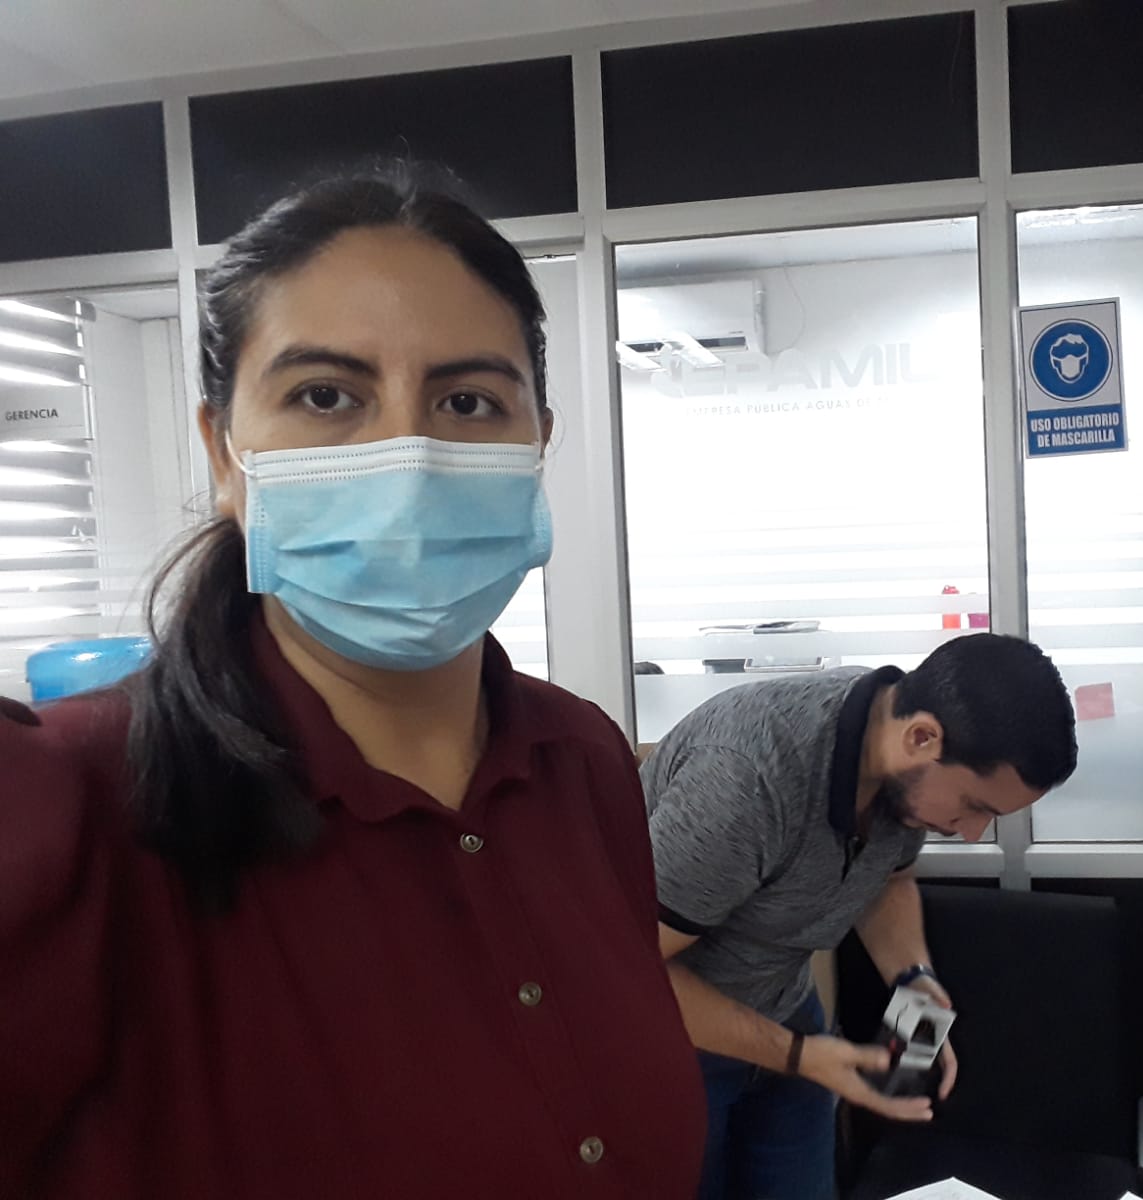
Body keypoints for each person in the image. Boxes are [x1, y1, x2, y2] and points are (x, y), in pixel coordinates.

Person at [0, 169, 705, 1199]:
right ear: (226, 454)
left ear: (537, 444)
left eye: (468, 402)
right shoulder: (72, 801)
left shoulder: (583, 760)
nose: (406, 459)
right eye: (326, 396)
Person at [643, 633, 1079, 1200]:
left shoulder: (893, 746)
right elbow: (629, 969)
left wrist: (914, 980)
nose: (973, 833)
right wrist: (798, 1055)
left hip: (788, 1018)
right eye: (974, 807)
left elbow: (888, 880)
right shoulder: (746, 779)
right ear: (921, 737)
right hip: (675, 1046)